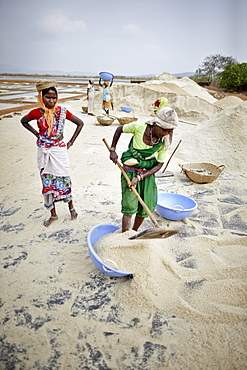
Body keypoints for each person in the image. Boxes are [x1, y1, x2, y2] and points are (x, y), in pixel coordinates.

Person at [20, 79, 84, 227]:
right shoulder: (36, 112)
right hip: (44, 150)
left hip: (59, 151)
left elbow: (80, 123)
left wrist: (70, 142)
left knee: (64, 180)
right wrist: (37, 134)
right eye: (48, 97)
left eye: (54, 97)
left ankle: (71, 208)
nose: (51, 100)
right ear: (41, 97)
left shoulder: (62, 111)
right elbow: (23, 121)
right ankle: (53, 214)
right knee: (47, 183)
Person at [109, 107, 179, 232]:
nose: (165, 133)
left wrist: (140, 177)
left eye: (169, 131)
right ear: (156, 124)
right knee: (129, 204)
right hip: (130, 170)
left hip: (147, 173)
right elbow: (119, 129)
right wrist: (113, 149)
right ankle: (125, 234)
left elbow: (158, 165)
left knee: (145, 204)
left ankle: (134, 232)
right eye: (163, 129)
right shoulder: (139, 127)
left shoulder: (165, 141)